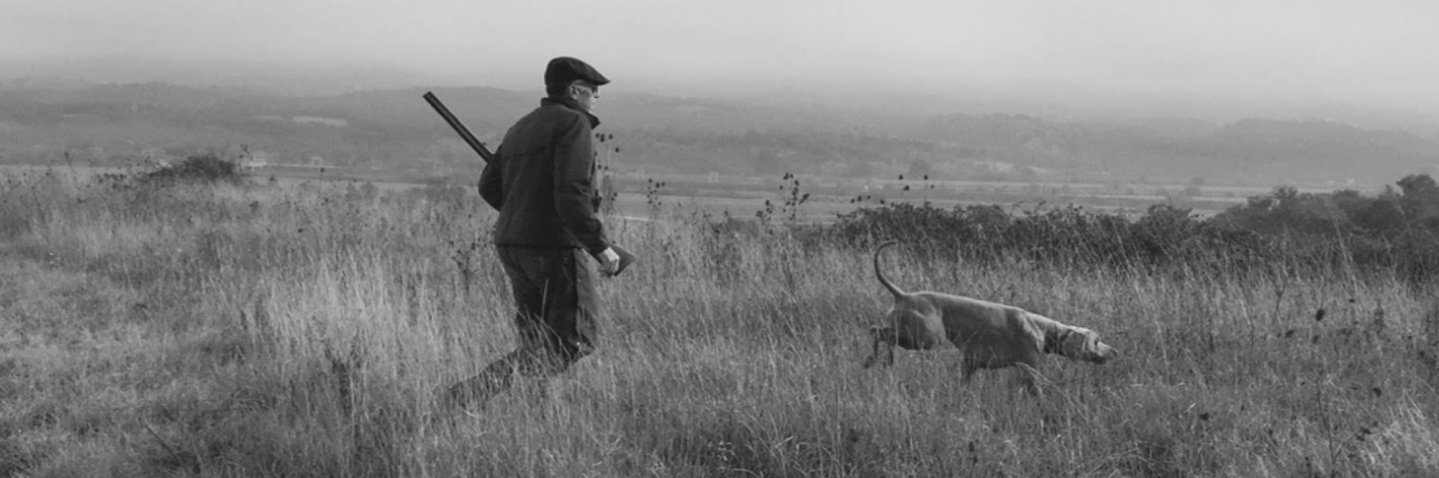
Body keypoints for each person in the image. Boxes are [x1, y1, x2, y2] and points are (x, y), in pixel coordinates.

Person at [444, 56, 632, 410]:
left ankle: (540, 414)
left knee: (537, 337)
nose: (594, 99)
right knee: (574, 341)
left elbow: (489, 186)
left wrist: (525, 213)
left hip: (513, 244)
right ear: (575, 91)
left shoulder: (521, 126)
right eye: (592, 92)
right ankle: (466, 397)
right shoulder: (573, 124)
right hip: (554, 247)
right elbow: (572, 192)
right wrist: (600, 247)